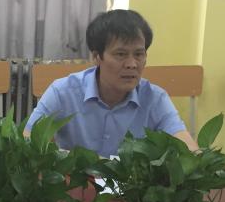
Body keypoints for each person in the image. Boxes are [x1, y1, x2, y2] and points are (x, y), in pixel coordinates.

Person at [24, 9, 199, 155]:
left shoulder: (155, 98)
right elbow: (28, 143)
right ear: (96, 57)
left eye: (139, 54)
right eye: (121, 54)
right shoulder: (62, 92)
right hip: (76, 184)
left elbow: (187, 148)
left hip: (132, 185)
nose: (132, 64)